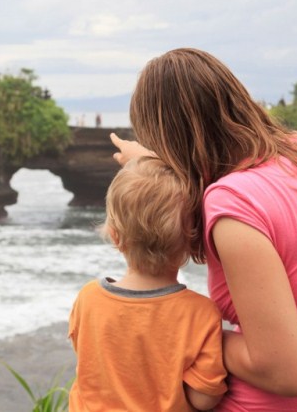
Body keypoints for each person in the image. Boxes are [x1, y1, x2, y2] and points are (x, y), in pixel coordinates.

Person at [110, 48, 297, 410]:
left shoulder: (232, 205)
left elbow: (286, 374)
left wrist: (182, 326)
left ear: (170, 142)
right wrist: (150, 164)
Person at [68, 156, 228, 412]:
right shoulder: (201, 314)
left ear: (115, 236)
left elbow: (87, 356)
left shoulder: (88, 298)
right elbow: (204, 398)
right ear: (190, 241)